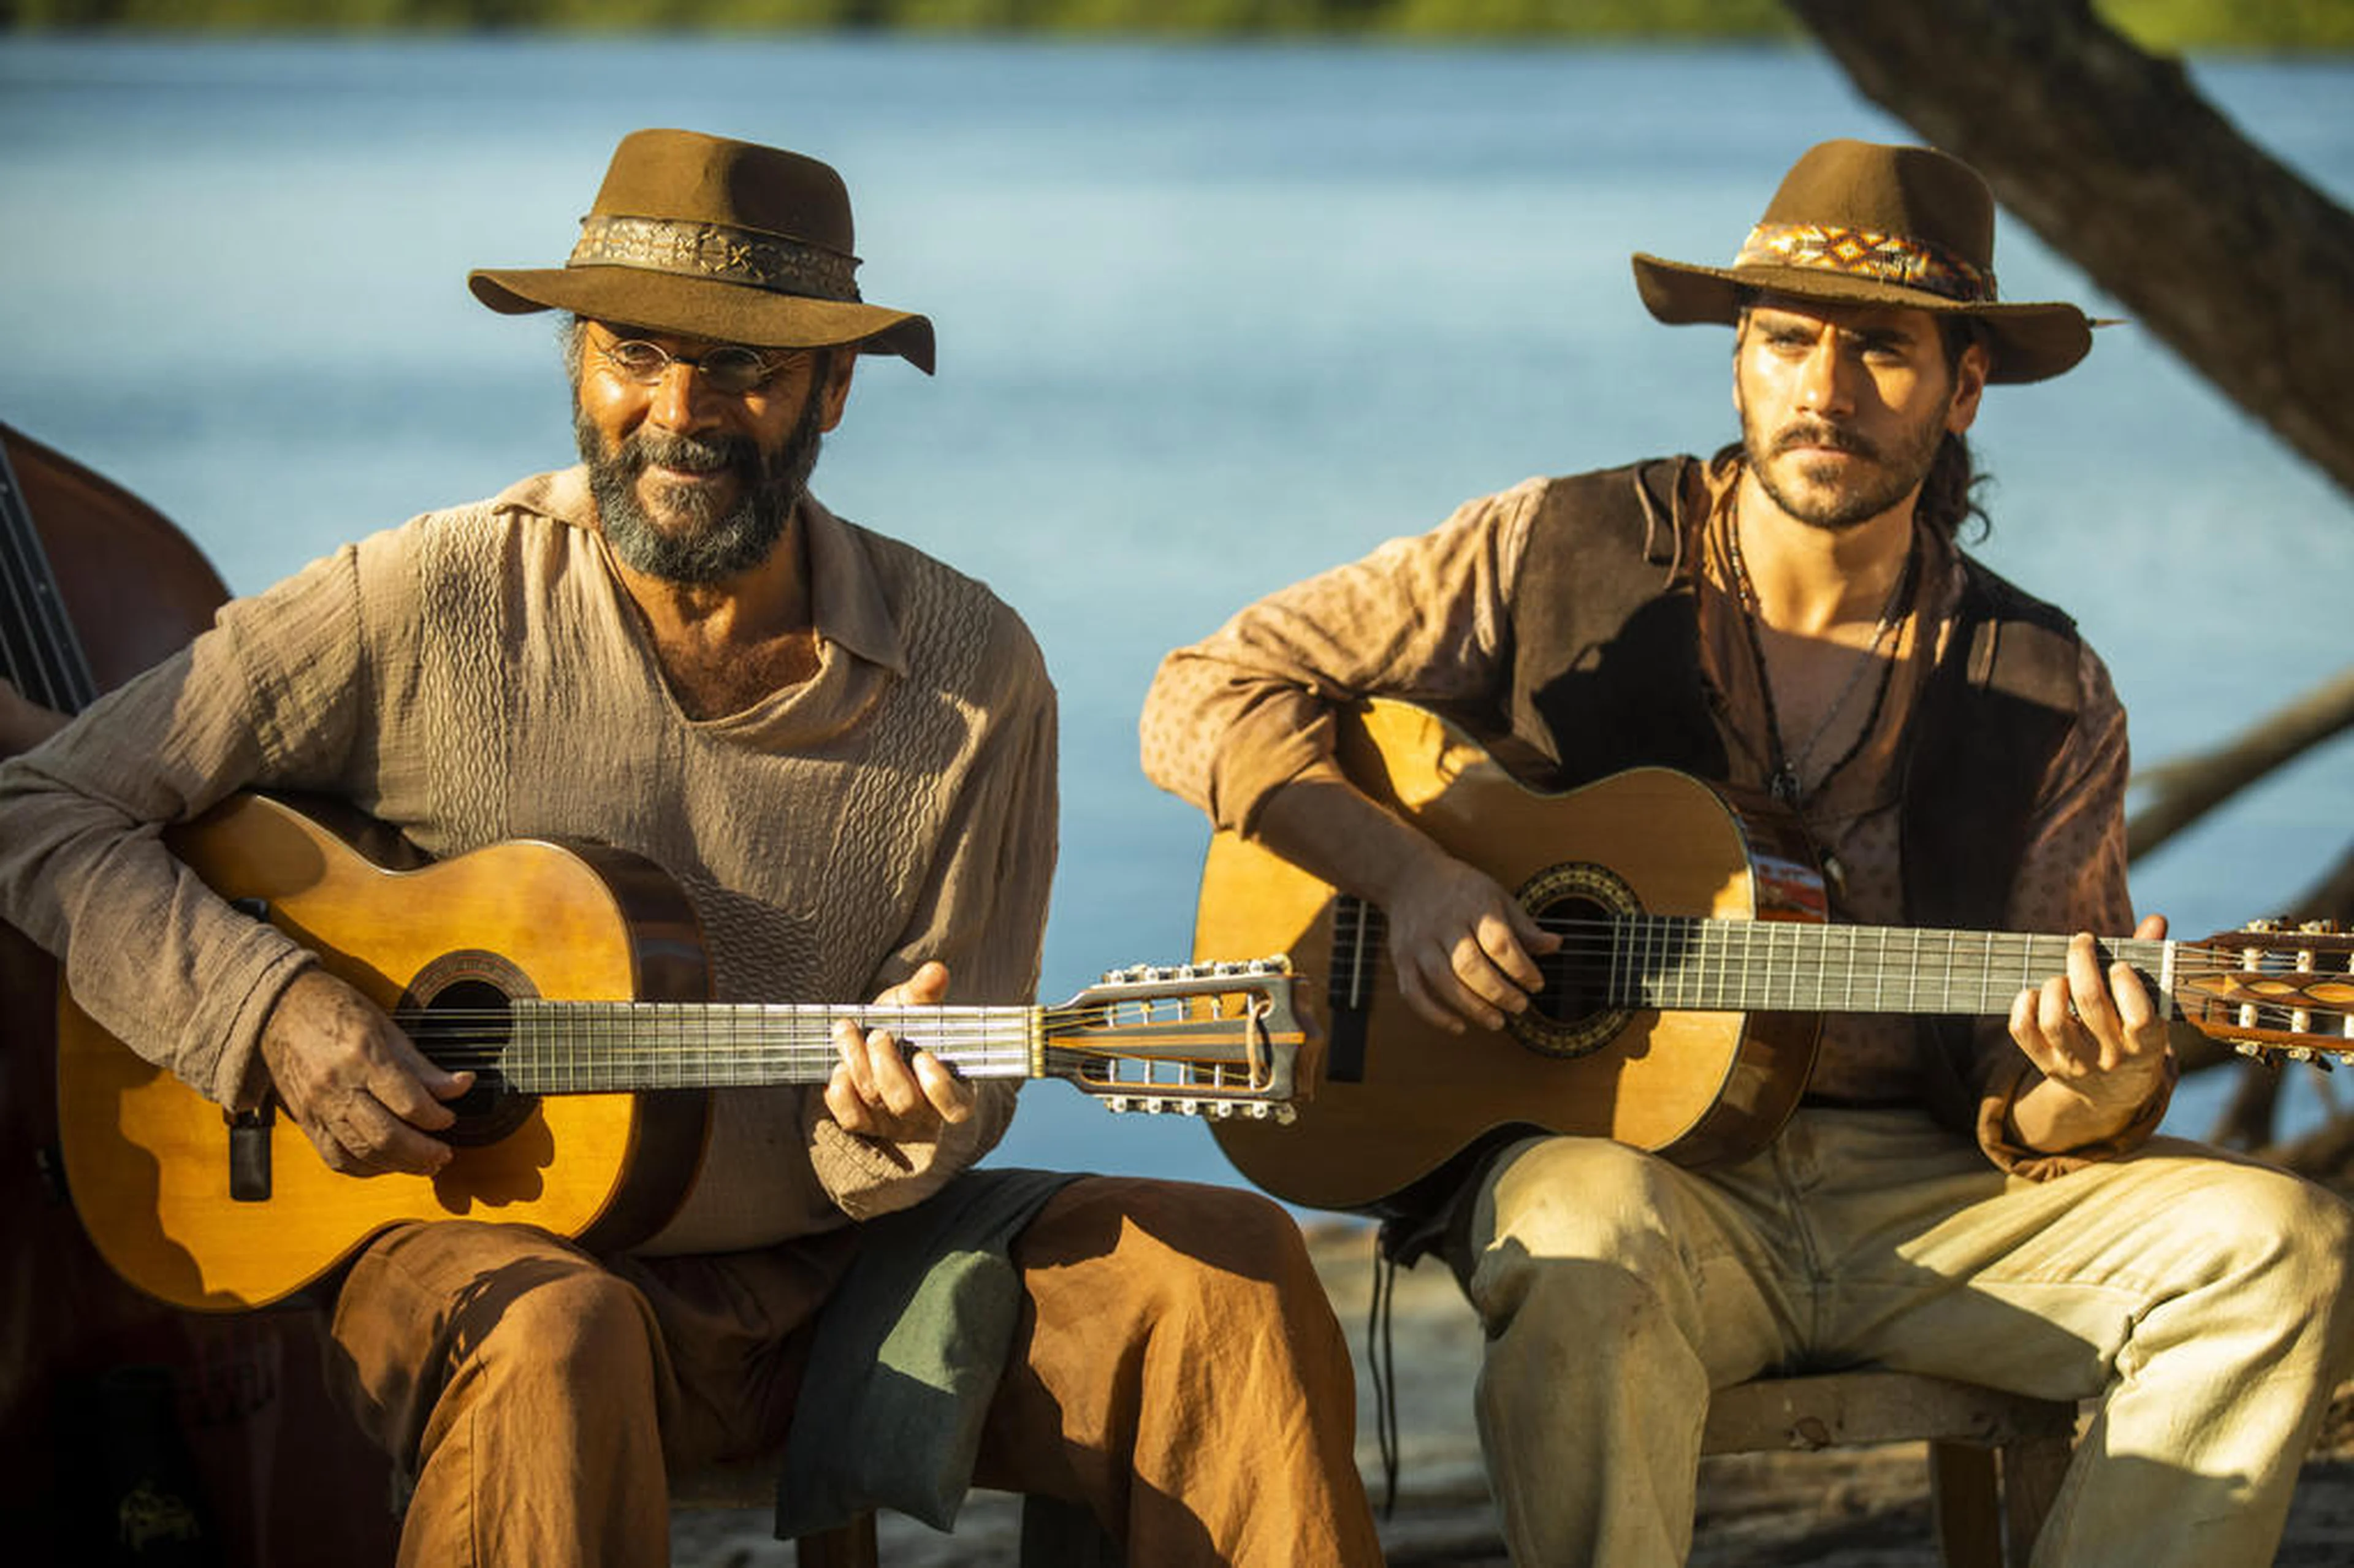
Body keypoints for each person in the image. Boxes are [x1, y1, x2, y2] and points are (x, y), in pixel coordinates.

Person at [0, 127, 1382, 1567]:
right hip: (496, 1259)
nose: (677, 413)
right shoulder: (424, 597)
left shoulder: (973, 671)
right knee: (557, 1334)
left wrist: (895, 1131)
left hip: (852, 1274)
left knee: (1228, 1276)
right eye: (633, 354)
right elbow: (42, 806)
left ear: (835, 388)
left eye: (743, 367)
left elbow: (937, 1101)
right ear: (574, 360)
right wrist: (270, 1008)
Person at [1139, 137, 2354, 1565]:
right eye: (1787, 341)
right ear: (1738, 359)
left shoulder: (2044, 686)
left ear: (1965, 387)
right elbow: (1199, 695)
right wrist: (1409, 877)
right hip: (1635, 1181)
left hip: (1929, 1198)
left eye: (1883, 352)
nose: (1825, 392)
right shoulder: (1555, 549)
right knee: (1582, 1238)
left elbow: (2036, 1106)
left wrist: (2099, 1078)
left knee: (2285, 1248)